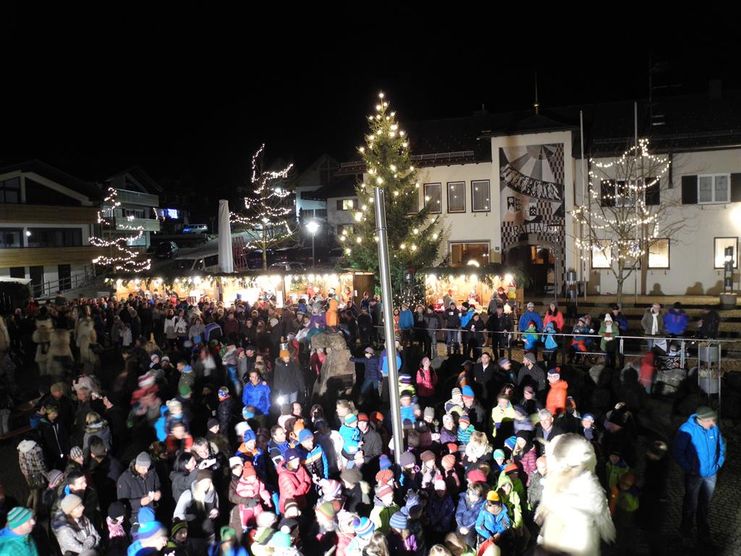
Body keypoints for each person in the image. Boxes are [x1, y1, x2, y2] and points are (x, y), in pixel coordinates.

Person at [672, 406, 726, 544]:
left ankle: (704, 533)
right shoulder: (686, 430)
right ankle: (685, 532)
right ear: (702, 420)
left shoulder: (713, 428)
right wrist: (689, 469)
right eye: (711, 421)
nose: (713, 424)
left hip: (711, 475)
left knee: (704, 504)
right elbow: (678, 452)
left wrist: (718, 463)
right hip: (694, 475)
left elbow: (722, 445)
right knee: (691, 504)